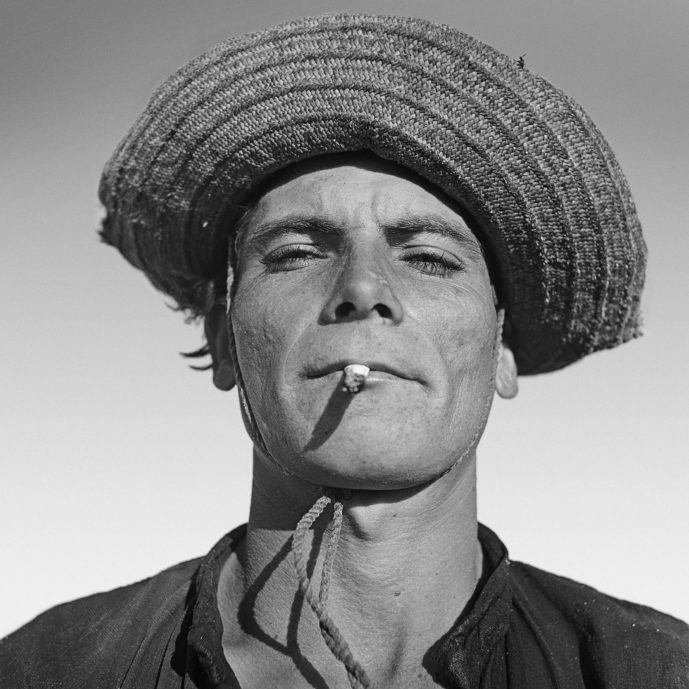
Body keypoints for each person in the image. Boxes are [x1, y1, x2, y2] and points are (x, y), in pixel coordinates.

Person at [1, 13, 687, 689]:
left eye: (428, 258)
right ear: (222, 339)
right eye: (298, 253)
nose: (361, 288)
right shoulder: (52, 668)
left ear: (500, 345)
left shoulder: (648, 668)